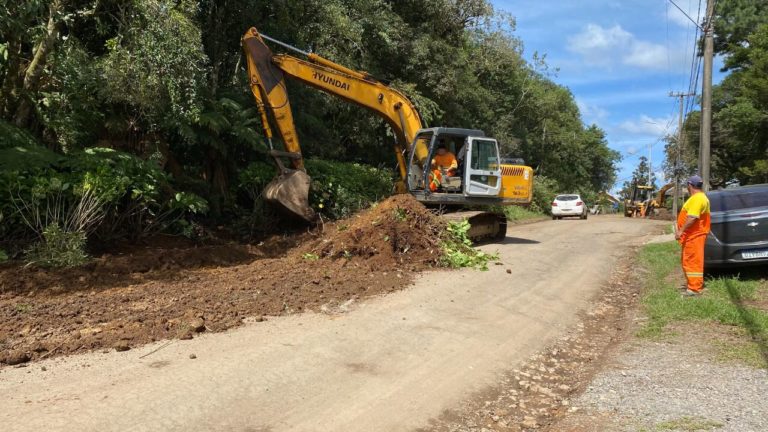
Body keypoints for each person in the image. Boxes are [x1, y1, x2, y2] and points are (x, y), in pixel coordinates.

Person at [675, 175, 711, 296]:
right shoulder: (700, 197)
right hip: (693, 236)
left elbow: (692, 217)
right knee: (690, 260)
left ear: (690, 185)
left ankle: (694, 289)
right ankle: (693, 285)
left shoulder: (697, 198)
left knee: (692, 261)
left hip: (694, 236)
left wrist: (680, 231)